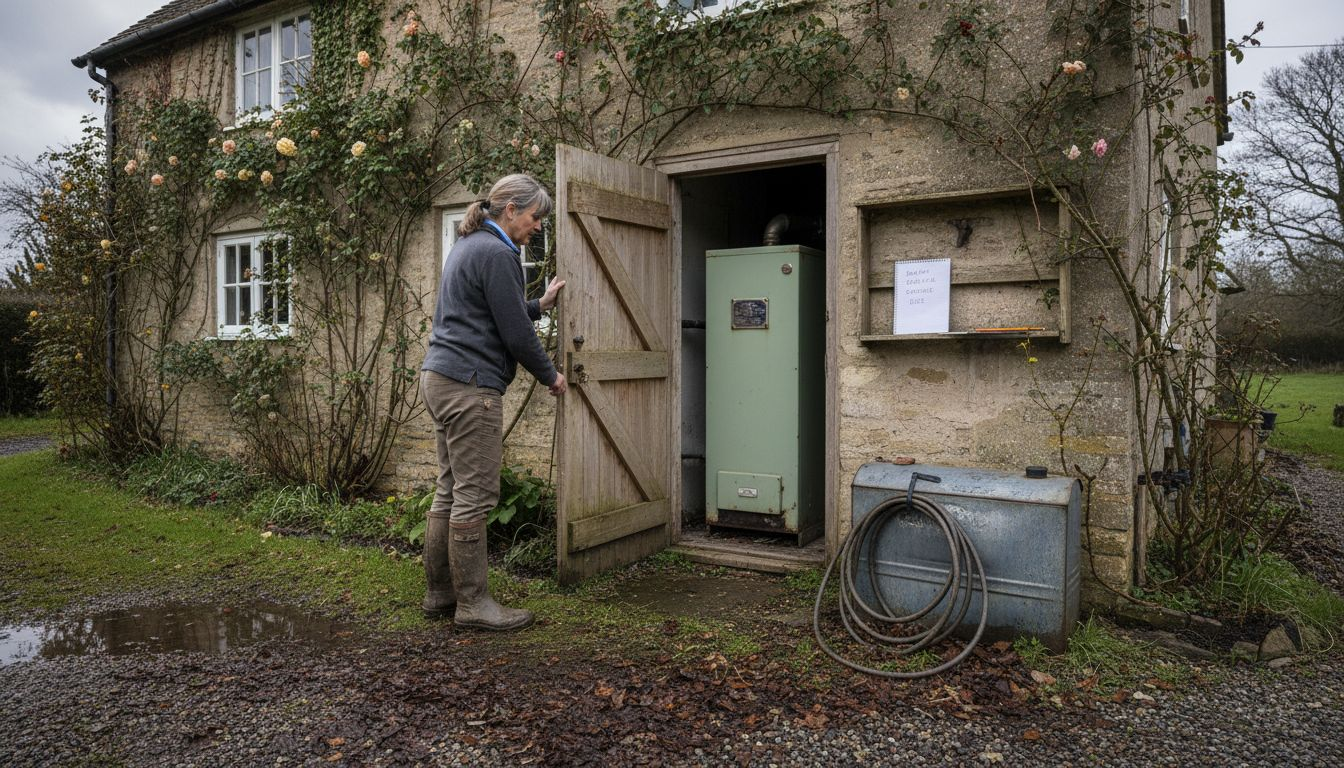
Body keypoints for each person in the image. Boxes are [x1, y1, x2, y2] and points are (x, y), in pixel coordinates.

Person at [420, 173, 567, 631]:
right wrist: (551, 375)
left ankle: (440, 593)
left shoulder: (469, 246)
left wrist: (540, 303)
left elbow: (496, 310)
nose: (537, 225)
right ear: (510, 211)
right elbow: (515, 335)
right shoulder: (498, 253)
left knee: (451, 489)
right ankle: (473, 604)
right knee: (476, 496)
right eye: (534, 216)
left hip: (440, 377)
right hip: (470, 386)